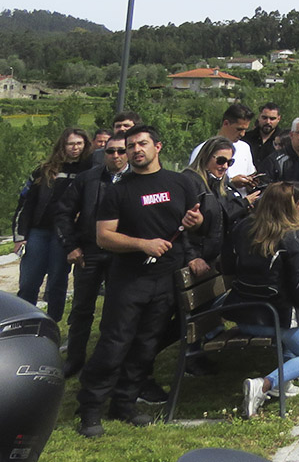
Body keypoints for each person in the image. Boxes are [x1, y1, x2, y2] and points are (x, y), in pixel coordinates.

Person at [76, 125, 205, 438]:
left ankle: (125, 402)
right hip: (130, 279)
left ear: (157, 146)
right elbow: (103, 236)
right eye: (130, 145)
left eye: (141, 144)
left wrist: (195, 221)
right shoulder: (117, 190)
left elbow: (196, 223)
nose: (135, 150)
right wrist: (143, 244)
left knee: (146, 345)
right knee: (114, 343)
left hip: (166, 278)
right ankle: (90, 408)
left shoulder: (180, 182)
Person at [223, 183, 299, 418]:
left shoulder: (243, 227)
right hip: (274, 315)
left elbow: (226, 266)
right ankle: (265, 385)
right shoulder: (293, 236)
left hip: (242, 312)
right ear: (290, 207)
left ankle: (284, 382)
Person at [53, 131, 127, 378]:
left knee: (117, 310)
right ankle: (74, 359)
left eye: (121, 151)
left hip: (123, 254)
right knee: (82, 309)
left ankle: (108, 363)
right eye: (110, 151)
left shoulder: (137, 179)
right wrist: (70, 246)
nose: (115, 155)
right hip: (89, 251)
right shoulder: (87, 179)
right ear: (102, 152)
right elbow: (63, 212)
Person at [14, 127, 91, 322]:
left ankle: (52, 324)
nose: (75, 148)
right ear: (63, 145)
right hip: (39, 231)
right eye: (70, 143)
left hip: (64, 235)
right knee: (29, 281)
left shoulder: (89, 172)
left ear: (85, 145)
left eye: (79, 143)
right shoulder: (44, 170)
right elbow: (25, 203)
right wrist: (19, 236)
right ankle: (23, 321)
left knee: (57, 281)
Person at [184, 137, 258, 275]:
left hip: (214, 259)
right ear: (205, 156)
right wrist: (192, 257)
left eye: (230, 162)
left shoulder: (219, 182)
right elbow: (180, 227)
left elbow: (225, 213)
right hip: (194, 260)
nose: (224, 166)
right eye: (221, 160)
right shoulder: (190, 182)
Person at [191, 103, 258, 188]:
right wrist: (230, 183)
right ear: (226, 123)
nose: (242, 134)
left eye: (245, 130)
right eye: (239, 129)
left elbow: (250, 174)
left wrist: (250, 182)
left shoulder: (245, 148)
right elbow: (194, 183)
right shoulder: (204, 149)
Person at [244, 103, 282, 169]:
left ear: (278, 119)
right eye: (264, 118)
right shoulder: (245, 138)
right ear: (259, 117)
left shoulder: (283, 141)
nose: (268, 122)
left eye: (272, 119)